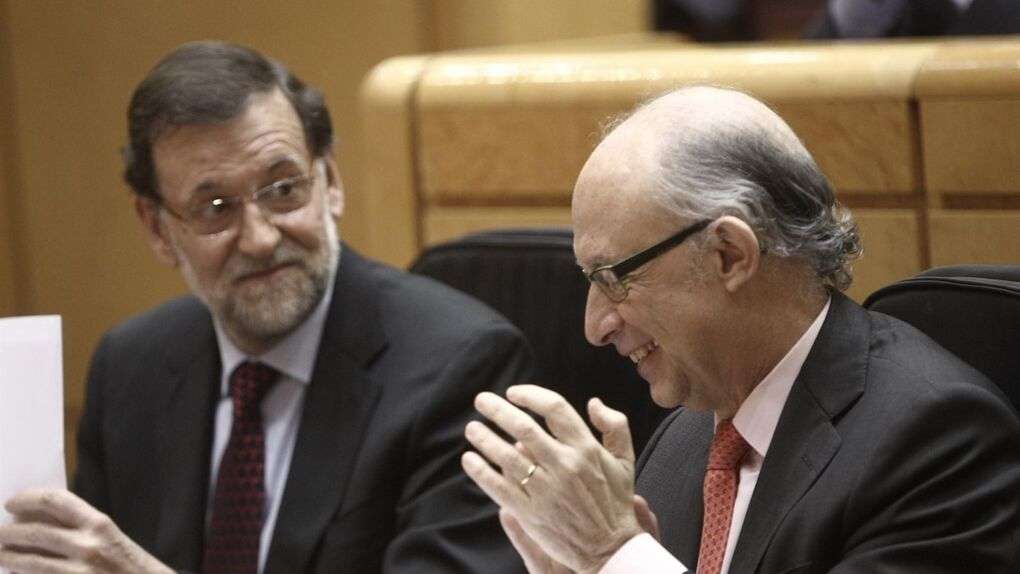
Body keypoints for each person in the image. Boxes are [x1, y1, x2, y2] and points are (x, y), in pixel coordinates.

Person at [0, 41, 533, 573]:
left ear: (330, 183)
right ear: (157, 229)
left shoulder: (461, 369)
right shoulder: (129, 368)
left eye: (282, 189)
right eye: (214, 208)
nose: (259, 238)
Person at [461, 86, 1020, 573]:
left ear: (730, 255)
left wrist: (615, 554)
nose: (595, 326)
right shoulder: (684, 437)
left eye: (615, 277)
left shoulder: (936, 443)